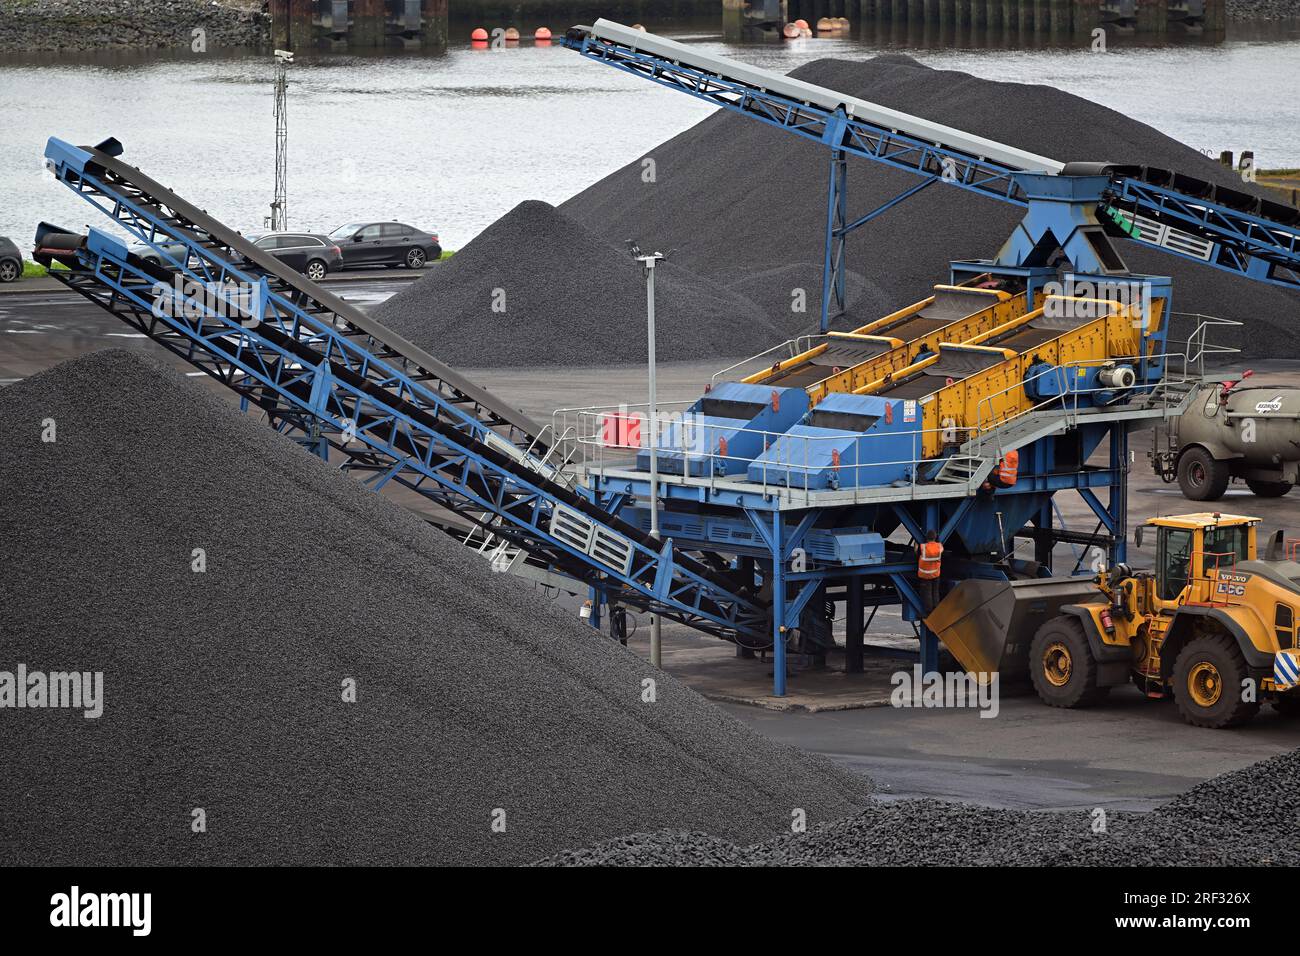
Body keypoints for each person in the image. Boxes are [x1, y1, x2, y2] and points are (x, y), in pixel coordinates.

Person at [917, 529, 943, 615]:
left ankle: (929, 611)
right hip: (935, 574)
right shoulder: (939, 547)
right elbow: (940, 549)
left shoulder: (923, 547)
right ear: (935, 537)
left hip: (925, 575)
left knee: (927, 593)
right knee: (935, 592)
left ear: (926, 538)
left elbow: (916, 552)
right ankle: (936, 608)